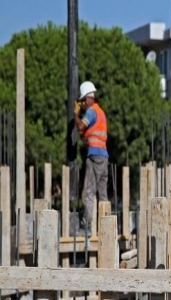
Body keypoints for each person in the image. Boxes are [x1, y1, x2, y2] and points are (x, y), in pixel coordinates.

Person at [74, 81, 109, 236]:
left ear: (89, 98)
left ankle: (86, 226)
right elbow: (88, 133)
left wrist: (75, 114)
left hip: (94, 155)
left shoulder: (90, 112)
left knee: (89, 191)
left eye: (83, 100)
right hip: (104, 156)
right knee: (102, 193)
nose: (83, 103)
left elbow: (81, 127)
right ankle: (106, 225)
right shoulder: (100, 112)